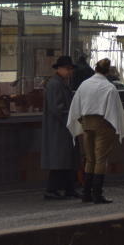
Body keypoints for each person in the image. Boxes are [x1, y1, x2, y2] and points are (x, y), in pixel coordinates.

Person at [67, 58, 124, 204]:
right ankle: (97, 194)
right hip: (103, 124)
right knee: (101, 159)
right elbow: (114, 110)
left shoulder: (84, 85)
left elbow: (76, 106)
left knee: (90, 159)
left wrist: (82, 121)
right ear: (107, 71)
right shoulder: (109, 87)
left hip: (86, 123)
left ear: (95, 68)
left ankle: (86, 193)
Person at [41, 55, 80, 200]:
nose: (70, 72)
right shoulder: (55, 84)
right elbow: (57, 108)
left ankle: (67, 188)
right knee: (60, 161)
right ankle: (53, 190)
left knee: (65, 160)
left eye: (71, 69)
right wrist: (70, 118)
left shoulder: (59, 82)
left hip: (61, 127)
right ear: (60, 69)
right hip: (59, 128)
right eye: (68, 69)